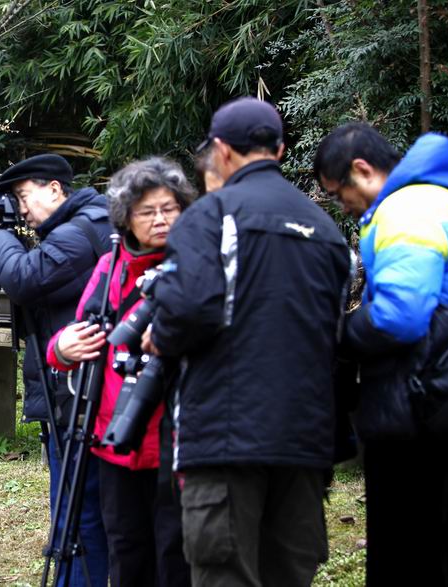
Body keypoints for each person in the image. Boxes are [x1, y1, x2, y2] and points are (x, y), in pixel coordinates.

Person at [140, 97, 351, 586]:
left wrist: (160, 336)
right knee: (289, 575)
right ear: (278, 150)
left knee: (226, 574)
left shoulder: (210, 217)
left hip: (226, 439)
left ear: (221, 151)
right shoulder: (324, 229)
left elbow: (189, 307)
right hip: (306, 441)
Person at [314, 123, 448, 586]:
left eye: (338, 194)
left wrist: (338, 334)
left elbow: (400, 317)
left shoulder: (405, 209)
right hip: (441, 395)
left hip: (425, 404)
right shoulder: (442, 197)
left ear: (362, 170)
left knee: (408, 549)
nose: (343, 206)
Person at [0, 153, 110, 587]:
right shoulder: (80, 227)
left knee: (77, 515)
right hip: (77, 389)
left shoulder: (83, 230)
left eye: (23, 196)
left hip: (81, 395)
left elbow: (25, 278)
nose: (21, 208)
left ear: (55, 189)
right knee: (78, 513)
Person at [47, 157, 194, 587]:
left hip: (178, 441)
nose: (161, 220)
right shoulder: (110, 267)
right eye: (147, 212)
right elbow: (73, 336)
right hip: (116, 439)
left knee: (176, 556)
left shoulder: (199, 266)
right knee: (125, 550)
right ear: (126, 219)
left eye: (170, 208)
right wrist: (62, 348)